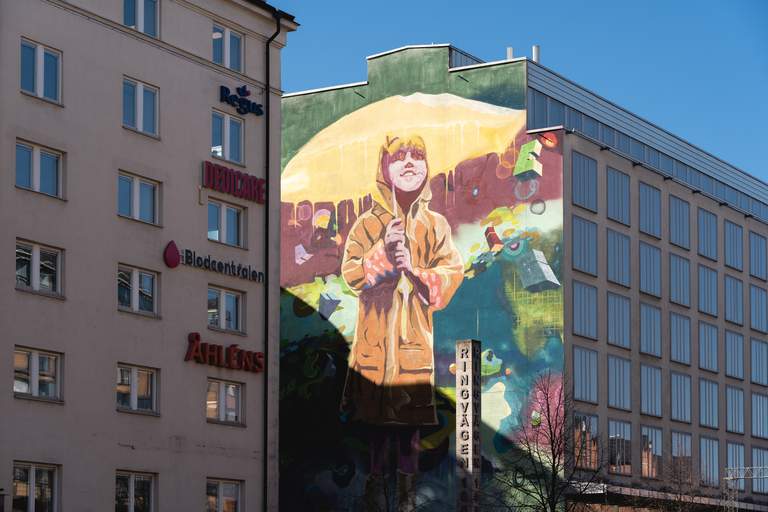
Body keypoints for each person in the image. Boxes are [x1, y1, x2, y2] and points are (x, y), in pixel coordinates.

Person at [340, 134, 464, 510]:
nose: (410, 162)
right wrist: (382, 257)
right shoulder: (366, 223)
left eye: (418, 155)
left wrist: (414, 268)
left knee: (409, 427)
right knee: (377, 428)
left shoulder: (435, 224)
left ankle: (407, 498)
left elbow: (451, 273)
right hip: (375, 344)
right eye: (400, 155)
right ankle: (375, 493)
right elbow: (351, 273)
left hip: (413, 343)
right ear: (385, 167)